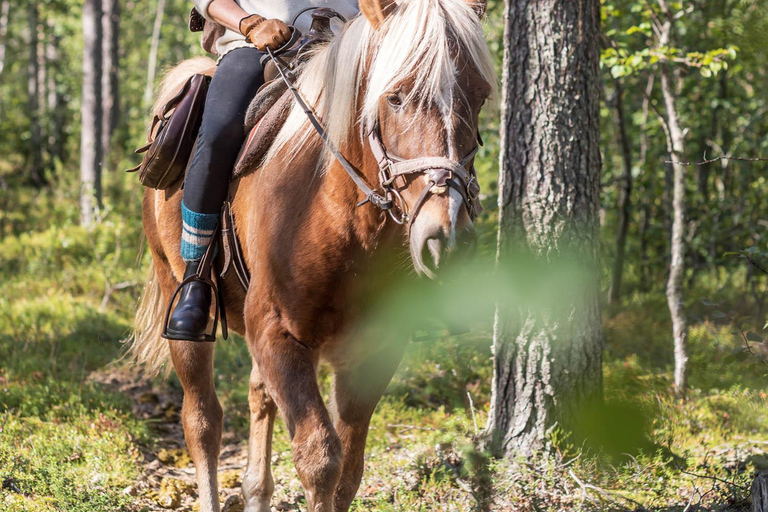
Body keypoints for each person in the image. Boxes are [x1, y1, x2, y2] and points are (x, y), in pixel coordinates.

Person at [165, 0, 359, 341]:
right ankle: (196, 275)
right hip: (259, 48)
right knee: (219, 132)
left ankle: (431, 265)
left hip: (357, 49)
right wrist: (250, 23)